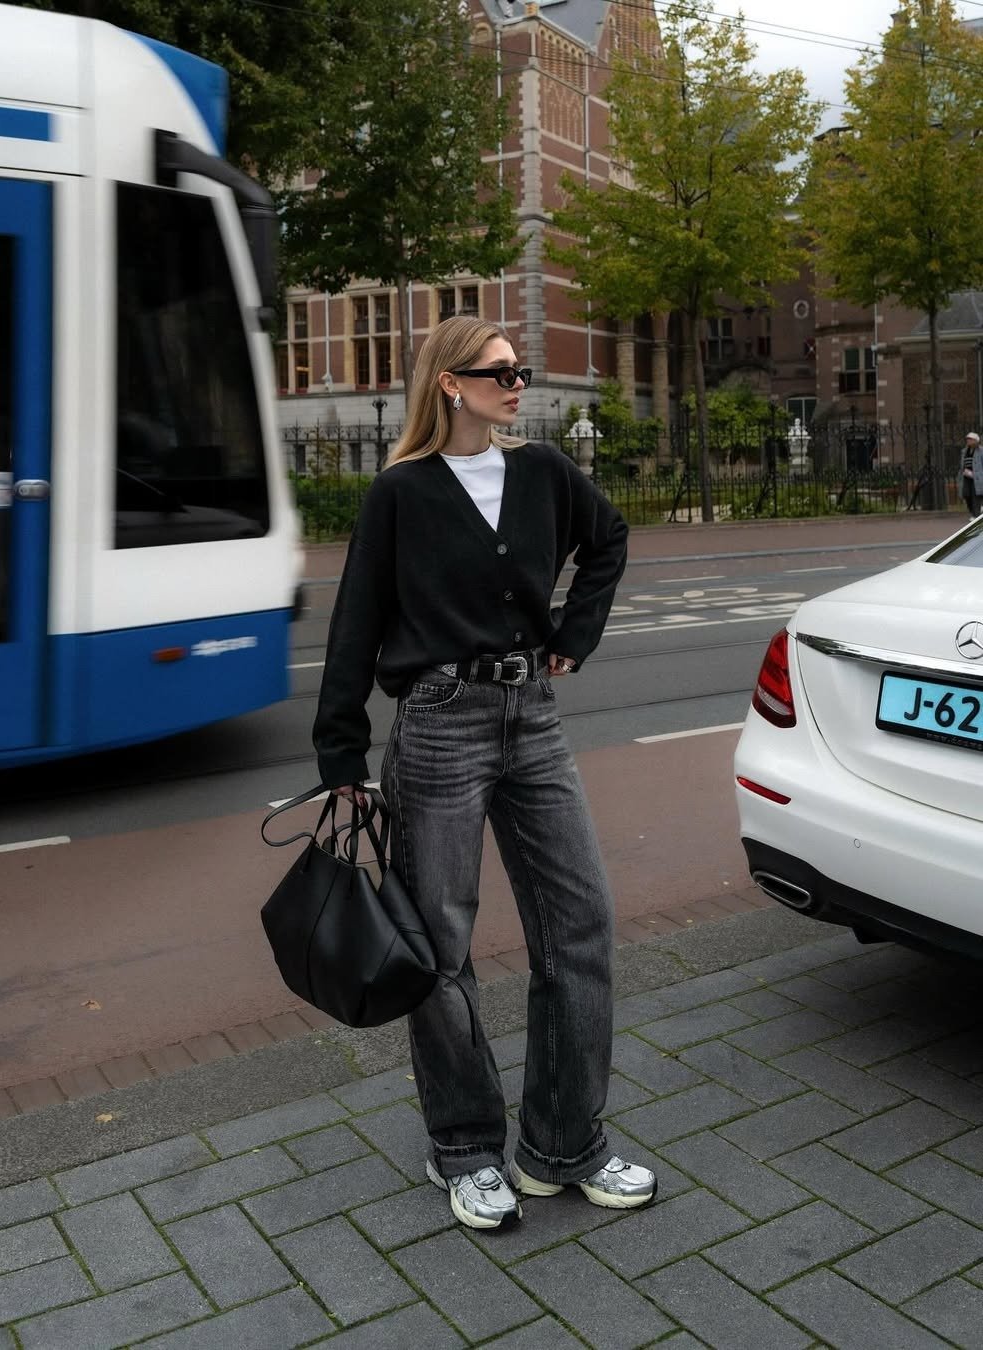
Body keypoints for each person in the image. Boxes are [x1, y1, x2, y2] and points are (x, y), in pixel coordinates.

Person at [312, 315, 656, 1232]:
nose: (518, 384)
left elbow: (609, 540)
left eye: (521, 370)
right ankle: (464, 1148)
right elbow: (354, 623)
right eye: (499, 372)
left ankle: (563, 1145)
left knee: (581, 925)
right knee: (441, 946)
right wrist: (341, 752)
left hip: (532, 722)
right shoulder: (401, 494)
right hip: (437, 728)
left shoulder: (544, 472)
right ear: (449, 385)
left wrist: (572, 639)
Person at [961, 432, 983, 518]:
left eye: (970, 439)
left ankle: (976, 515)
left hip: (977, 477)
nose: (968, 441)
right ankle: (973, 512)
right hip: (966, 476)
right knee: (966, 494)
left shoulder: (981, 451)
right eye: (967, 439)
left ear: (976, 441)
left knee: (976, 496)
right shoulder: (964, 451)